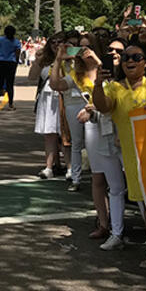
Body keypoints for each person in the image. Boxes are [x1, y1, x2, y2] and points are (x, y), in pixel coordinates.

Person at [90, 36, 146, 266]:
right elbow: (103, 106)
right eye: (125, 58)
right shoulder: (114, 87)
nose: (129, 61)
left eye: (136, 57)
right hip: (133, 158)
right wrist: (97, 85)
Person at [79, 40, 129, 250]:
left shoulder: (136, 80)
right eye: (110, 50)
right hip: (106, 138)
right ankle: (115, 233)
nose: (114, 53)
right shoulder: (101, 78)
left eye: (119, 51)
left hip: (129, 140)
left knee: (140, 190)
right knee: (115, 188)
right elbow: (103, 107)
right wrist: (91, 110)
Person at [50, 33, 94, 190]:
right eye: (78, 47)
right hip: (73, 104)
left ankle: (100, 176)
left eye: (86, 47)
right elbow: (55, 84)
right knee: (76, 143)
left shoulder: (99, 67)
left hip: (95, 108)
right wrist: (59, 59)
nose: (82, 50)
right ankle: (76, 178)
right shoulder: (74, 72)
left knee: (94, 143)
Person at [30, 37, 63, 178]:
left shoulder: (70, 60)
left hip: (64, 97)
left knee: (66, 135)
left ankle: (70, 167)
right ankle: (49, 167)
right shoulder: (45, 60)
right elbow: (32, 77)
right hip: (47, 99)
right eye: (53, 42)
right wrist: (37, 61)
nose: (56, 45)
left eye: (59, 42)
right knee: (49, 133)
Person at [0, 25, 21, 110]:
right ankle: (10, 104)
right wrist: (16, 63)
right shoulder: (16, 42)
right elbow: (17, 54)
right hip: (11, 63)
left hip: (1, 62)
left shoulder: (0, 40)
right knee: (10, 84)